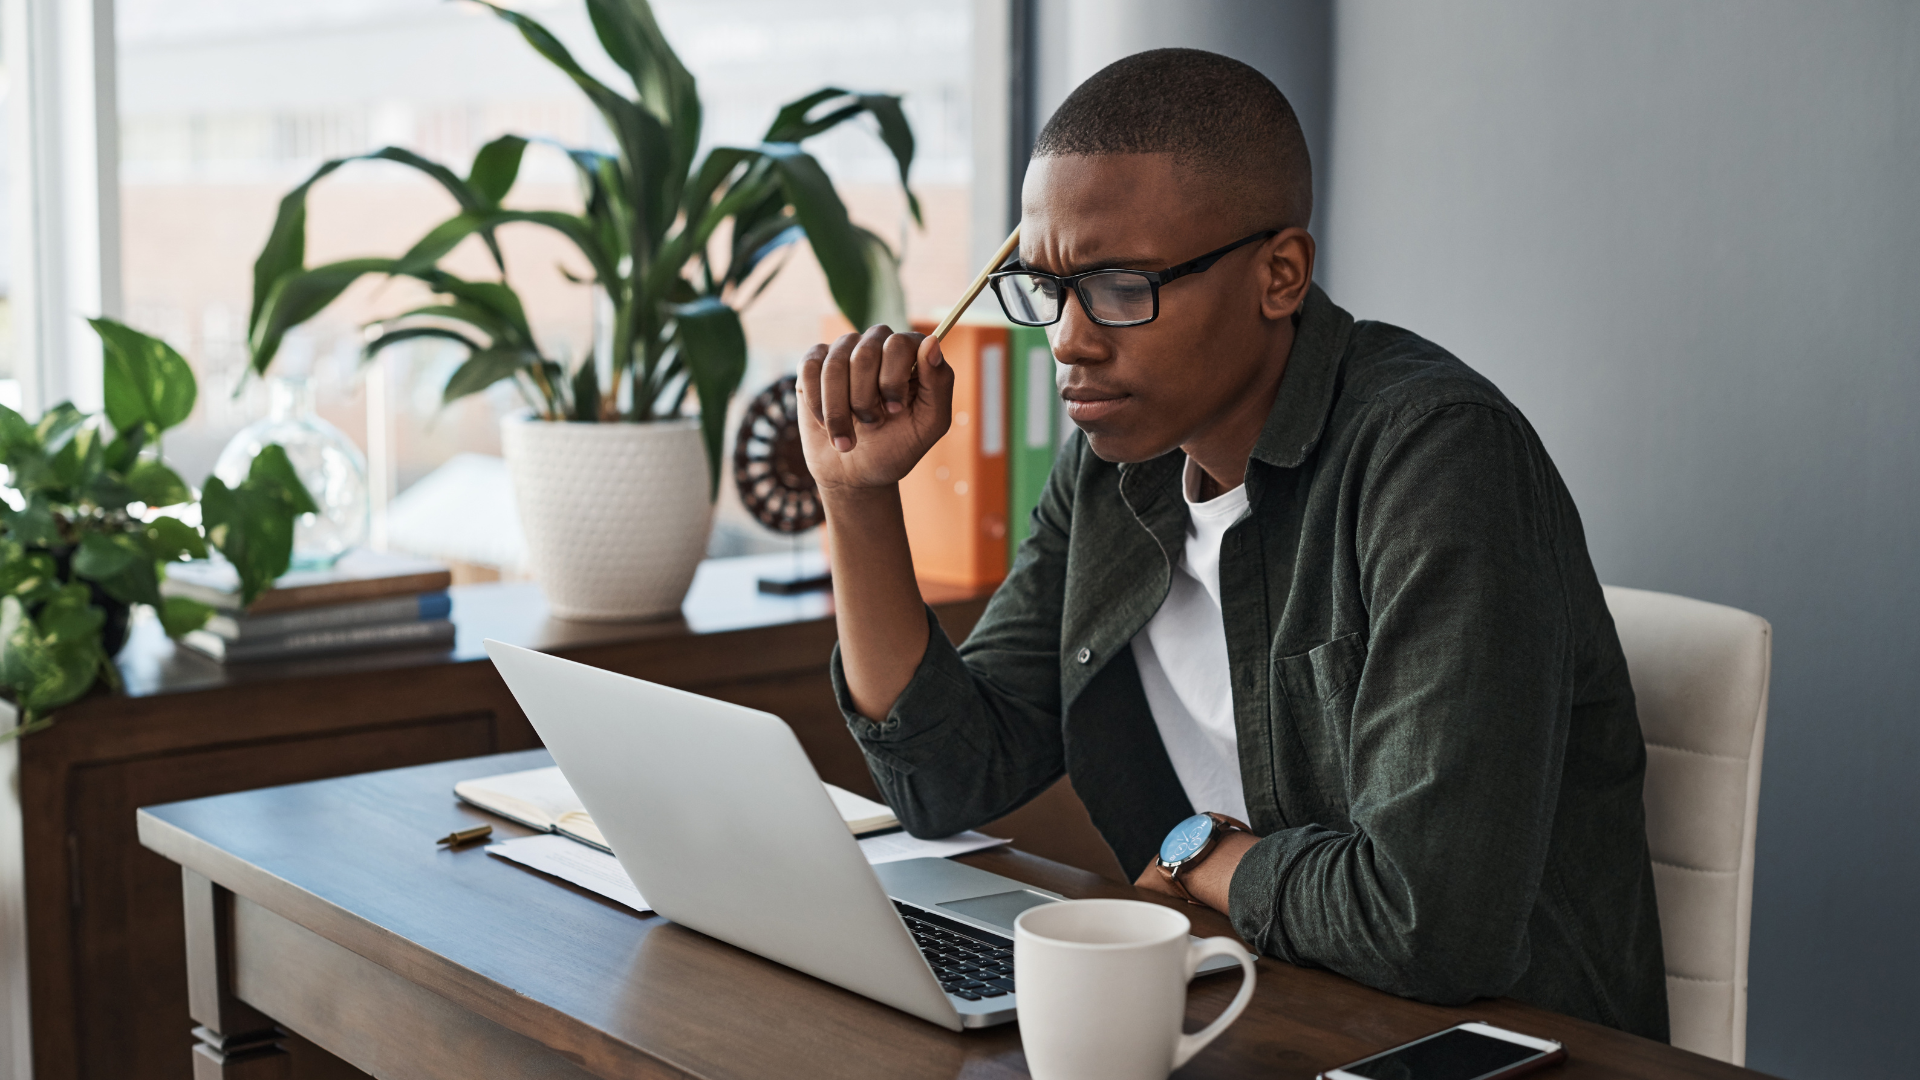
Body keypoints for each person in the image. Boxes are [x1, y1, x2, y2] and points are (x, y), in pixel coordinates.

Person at [795, 47, 1667, 1039]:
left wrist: (1192, 849)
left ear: (1280, 275)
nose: (1071, 340)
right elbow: (949, 778)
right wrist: (855, 501)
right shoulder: (1115, 467)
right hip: (1255, 998)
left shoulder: (1437, 462)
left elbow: (1430, 924)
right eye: (1048, 288)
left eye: (1122, 285)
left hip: (1481, 1047)